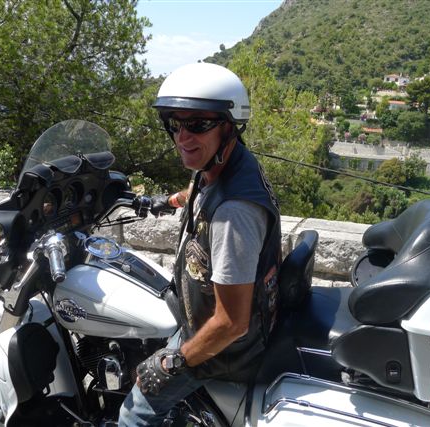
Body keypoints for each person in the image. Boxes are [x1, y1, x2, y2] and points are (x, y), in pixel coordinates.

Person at [119, 62, 282, 426]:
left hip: (228, 351)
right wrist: (168, 201)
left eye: (197, 124)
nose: (182, 137)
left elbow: (231, 323)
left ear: (229, 126)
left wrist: (171, 363)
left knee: (134, 412)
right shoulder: (230, 164)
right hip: (217, 317)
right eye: (175, 124)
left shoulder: (234, 214)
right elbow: (201, 186)